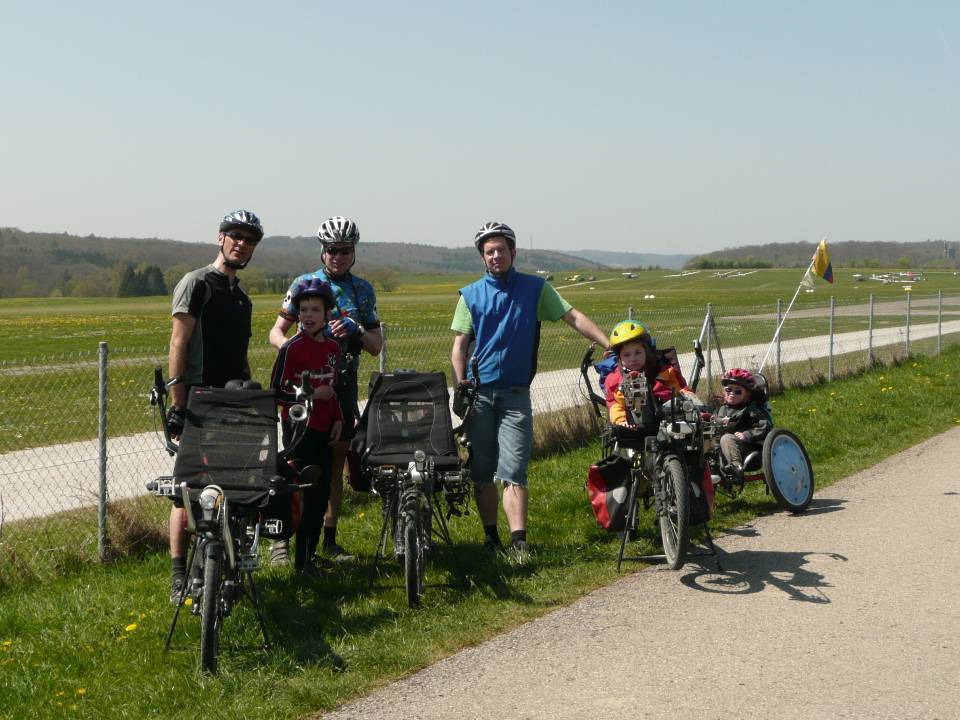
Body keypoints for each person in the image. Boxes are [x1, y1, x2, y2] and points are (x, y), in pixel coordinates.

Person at [450, 221, 610, 559]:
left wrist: (609, 343)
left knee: (514, 467)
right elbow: (460, 343)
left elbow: (573, 317)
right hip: (479, 394)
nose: (496, 256)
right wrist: (460, 381)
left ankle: (519, 541)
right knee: (481, 469)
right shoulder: (470, 295)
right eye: (489, 252)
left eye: (501, 250)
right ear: (482, 257)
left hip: (514, 394)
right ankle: (490, 536)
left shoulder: (535, 289)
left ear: (513, 252)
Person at [269, 216, 382, 564]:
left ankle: (328, 541)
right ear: (322, 250)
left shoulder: (363, 290)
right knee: (296, 462)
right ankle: (282, 542)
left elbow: (376, 345)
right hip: (304, 387)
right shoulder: (304, 283)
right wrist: (300, 349)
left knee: (334, 465)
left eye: (345, 250)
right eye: (332, 250)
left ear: (354, 252)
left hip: (342, 387)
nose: (338, 256)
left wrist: (355, 329)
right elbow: (275, 332)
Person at [166, 209, 264, 603]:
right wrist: (178, 402)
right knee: (186, 490)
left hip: (232, 403)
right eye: (235, 235)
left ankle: (230, 564)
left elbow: (240, 358)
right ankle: (178, 576)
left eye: (249, 239)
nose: (241, 243)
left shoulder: (242, 298)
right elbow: (178, 344)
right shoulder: (196, 283)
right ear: (220, 238)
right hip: (198, 401)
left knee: (237, 486)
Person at [270, 278, 343, 576]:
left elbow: (333, 388)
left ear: (328, 314)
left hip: (326, 427)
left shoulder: (333, 348)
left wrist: (338, 416)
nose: (309, 315)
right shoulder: (292, 348)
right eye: (303, 310)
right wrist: (310, 394)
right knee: (306, 492)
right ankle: (300, 560)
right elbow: (276, 392)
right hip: (300, 429)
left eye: (315, 309)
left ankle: (310, 555)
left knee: (323, 491)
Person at [603, 320, 699, 427]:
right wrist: (621, 421)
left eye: (638, 352)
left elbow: (684, 393)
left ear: (646, 351)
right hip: (630, 427)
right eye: (627, 355)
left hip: (668, 423)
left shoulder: (666, 372)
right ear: (619, 357)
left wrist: (698, 411)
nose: (633, 358)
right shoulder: (613, 381)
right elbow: (614, 405)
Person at [716, 367, 772, 472]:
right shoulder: (722, 410)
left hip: (748, 450)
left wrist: (747, 435)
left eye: (738, 391)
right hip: (724, 450)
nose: (732, 393)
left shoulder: (750, 410)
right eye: (728, 390)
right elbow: (715, 422)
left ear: (747, 395)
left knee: (726, 438)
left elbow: (765, 426)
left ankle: (736, 467)